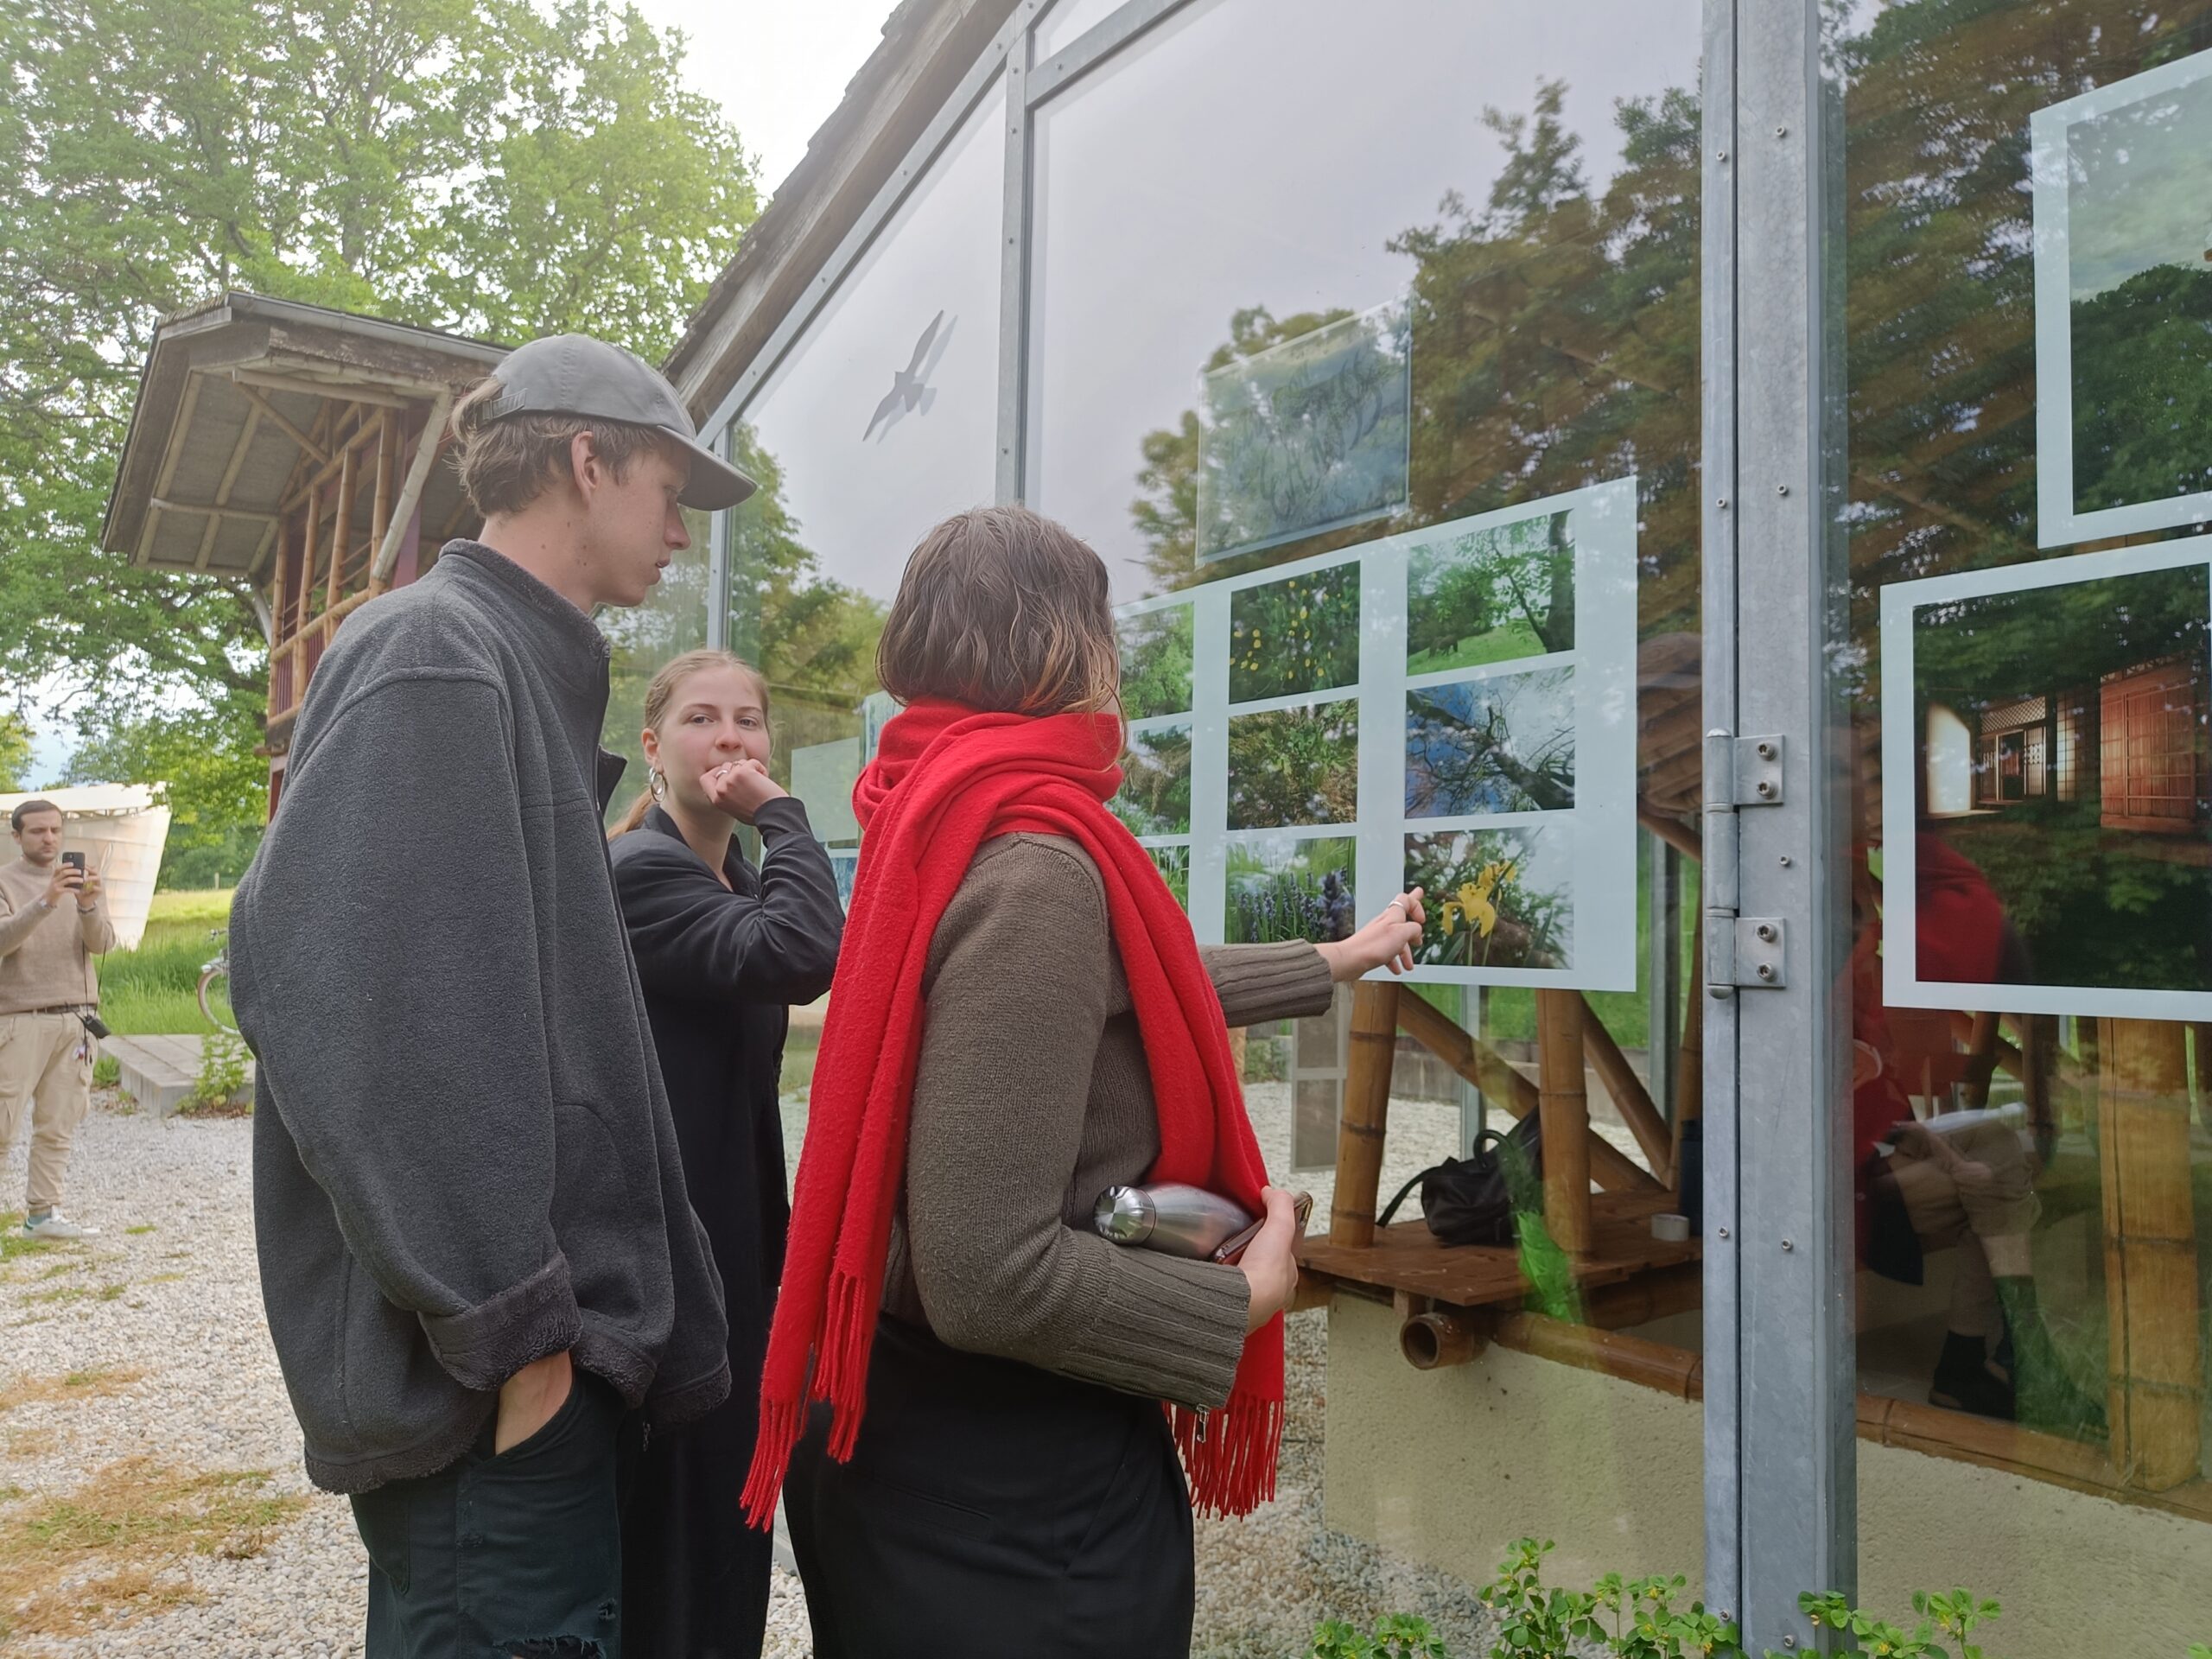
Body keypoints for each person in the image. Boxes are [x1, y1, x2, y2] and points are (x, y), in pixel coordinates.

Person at [742, 505, 1427, 1659]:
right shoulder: (1035, 860)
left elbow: (1126, 975)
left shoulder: (936, 808)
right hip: (1006, 1496)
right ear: (1065, 650)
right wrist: (1246, 1299)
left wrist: (1333, 961)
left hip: (912, 1445)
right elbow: (987, 1279)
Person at [227, 334, 755, 1658]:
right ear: (588, 461)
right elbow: (345, 1012)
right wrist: (517, 1340)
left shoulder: (506, 663)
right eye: (668, 492)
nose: (682, 535)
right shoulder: (439, 657)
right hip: (489, 1399)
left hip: (525, 1383)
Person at [606, 648, 842, 1656]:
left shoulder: (734, 876)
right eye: (704, 720)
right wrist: (784, 812)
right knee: (683, 1517)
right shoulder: (639, 870)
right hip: (667, 1256)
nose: (733, 739)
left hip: (734, 1241)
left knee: (735, 1507)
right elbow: (796, 958)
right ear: (656, 749)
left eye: (749, 721)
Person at [0, 799, 116, 1240]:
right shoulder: (5, 882)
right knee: (2, 1124)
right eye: (37, 831)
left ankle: (42, 1217)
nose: (49, 838)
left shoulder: (81, 883)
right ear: (17, 837)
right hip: (19, 1019)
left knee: (58, 1123)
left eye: (55, 830)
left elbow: (103, 944)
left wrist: (87, 906)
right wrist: (47, 901)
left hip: (78, 1020)